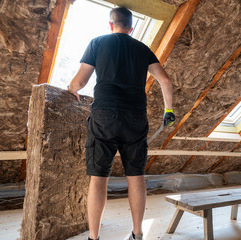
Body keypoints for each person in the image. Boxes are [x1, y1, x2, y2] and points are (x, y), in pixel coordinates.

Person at [67, 6, 175, 240]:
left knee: (99, 177)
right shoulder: (142, 48)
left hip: (104, 115)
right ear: (131, 28)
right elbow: (165, 80)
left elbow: (80, 82)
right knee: (136, 175)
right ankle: (137, 234)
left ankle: (93, 237)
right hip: (135, 116)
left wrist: (70, 89)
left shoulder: (97, 43)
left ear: (110, 24)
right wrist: (168, 110)